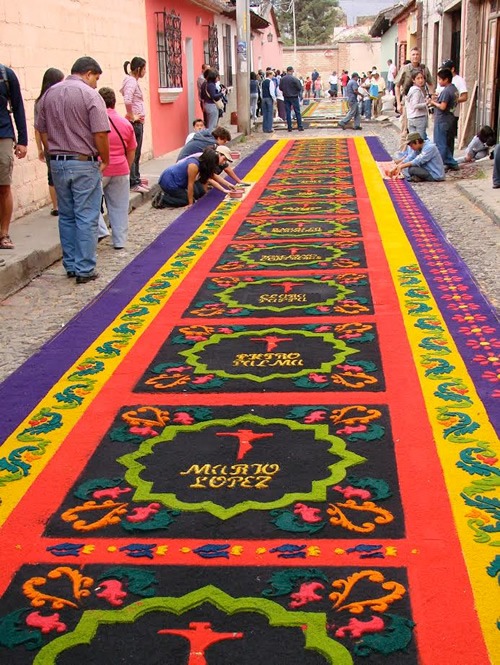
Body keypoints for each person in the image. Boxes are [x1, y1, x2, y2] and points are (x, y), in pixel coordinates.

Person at [35, 56, 110, 284]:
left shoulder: (49, 94)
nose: (96, 83)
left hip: (58, 161)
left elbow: (43, 130)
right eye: (95, 78)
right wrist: (104, 159)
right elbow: (100, 132)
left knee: (66, 215)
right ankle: (85, 268)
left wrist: (53, 153)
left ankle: (70, 264)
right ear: (88, 73)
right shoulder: (89, 95)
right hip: (83, 160)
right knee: (86, 216)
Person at [98, 87, 136, 250]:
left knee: (91, 203)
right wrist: (126, 167)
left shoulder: (95, 122)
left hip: (99, 168)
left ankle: (100, 230)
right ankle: (119, 241)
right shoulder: (125, 123)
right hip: (120, 167)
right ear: (114, 102)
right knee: (119, 207)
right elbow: (132, 149)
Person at [0, 62, 27, 251]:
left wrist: (23, 140)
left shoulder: (6, 75)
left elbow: (18, 107)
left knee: (3, 187)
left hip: (3, 135)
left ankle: (3, 234)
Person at [34, 68, 64, 218]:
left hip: (49, 145)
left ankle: (55, 205)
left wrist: (40, 148)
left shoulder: (39, 101)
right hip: (59, 143)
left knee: (52, 175)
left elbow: (37, 128)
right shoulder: (56, 99)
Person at [156, 148, 230, 208]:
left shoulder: (203, 161)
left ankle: (175, 195)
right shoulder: (193, 166)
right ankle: (162, 199)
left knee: (199, 193)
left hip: (179, 181)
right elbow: (190, 185)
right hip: (169, 181)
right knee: (186, 200)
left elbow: (212, 176)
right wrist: (190, 203)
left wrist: (227, 187)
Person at [395, 47, 434, 151]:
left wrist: (431, 97)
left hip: (421, 103)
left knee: (421, 134)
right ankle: (403, 152)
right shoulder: (405, 69)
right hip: (407, 103)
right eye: (413, 55)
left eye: (417, 54)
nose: (415, 56)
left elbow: (430, 83)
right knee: (405, 130)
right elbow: (397, 86)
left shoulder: (424, 69)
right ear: (410, 56)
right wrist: (398, 103)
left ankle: (420, 154)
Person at [120, 57, 147, 193]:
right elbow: (127, 99)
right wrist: (131, 115)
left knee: (137, 152)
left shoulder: (132, 81)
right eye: (144, 69)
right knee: (134, 152)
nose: (145, 72)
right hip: (135, 122)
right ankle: (133, 181)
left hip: (138, 121)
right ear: (138, 69)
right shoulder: (131, 81)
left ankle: (136, 178)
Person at [428, 67, 459, 170]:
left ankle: (441, 164)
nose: (439, 81)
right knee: (448, 142)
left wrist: (433, 102)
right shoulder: (454, 89)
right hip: (450, 118)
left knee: (441, 143)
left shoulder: (446, 91)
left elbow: (442, 106)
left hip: (442, 119)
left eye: (440, 79)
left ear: (446, 79)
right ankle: (450, 162)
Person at [438, 59, 468, 157]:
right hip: (441, 114)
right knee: (442, 139)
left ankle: (447, 158)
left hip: (451, 112)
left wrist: (451, 101)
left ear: (453, 69)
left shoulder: (458, 81)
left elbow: (465, 96)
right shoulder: (442, 80)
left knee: (447, 139)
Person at [279, 66, 304, 132]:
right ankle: (300, 126)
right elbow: (299, 87)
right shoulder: (294, 79)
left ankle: (289, 127)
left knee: (288, 112)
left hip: (286, 97)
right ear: (291, 71)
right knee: (297, 112)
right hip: (294, 97)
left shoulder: (282, 79)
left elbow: (280, 88)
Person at [405, 70, 428, 139]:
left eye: (422, 78)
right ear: (413, 80)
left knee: (414, 141)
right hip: (419, 117)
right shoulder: (416, 91)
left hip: (411, 117)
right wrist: (427, 103)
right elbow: (415, 105)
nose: (421, 80)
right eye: (418, 78)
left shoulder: (411, 89)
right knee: (420, 141)